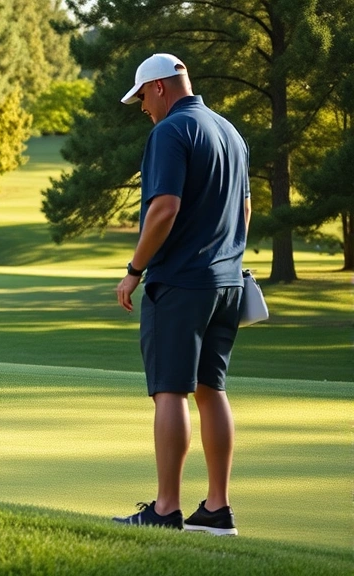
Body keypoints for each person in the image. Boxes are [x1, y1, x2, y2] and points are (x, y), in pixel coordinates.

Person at [112, 53, 250, 536]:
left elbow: (164, 208)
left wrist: (134, 270)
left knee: (171, 390)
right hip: (227, 283)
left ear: (159, 89)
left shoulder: (170, 132)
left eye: (143, 99)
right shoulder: (231, 133)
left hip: (181, 283)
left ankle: (166, 508)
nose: (143, 109)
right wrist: (227, 257)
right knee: (212, 390)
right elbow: (246, 209)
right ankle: (217, 508)